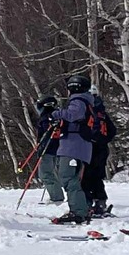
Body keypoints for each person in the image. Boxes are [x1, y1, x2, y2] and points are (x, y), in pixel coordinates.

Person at [49, 74, 97, 225]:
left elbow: (74, 114)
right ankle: (81, 209)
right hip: (79, 146)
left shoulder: (78, 100)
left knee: (68, 177)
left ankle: (78, 211)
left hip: (73, 146)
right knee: (73, 179)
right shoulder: (87, 101)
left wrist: (56, 113)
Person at [82, 84, 114, 218]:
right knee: (97, 176)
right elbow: (112, 130)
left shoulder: (89, 109)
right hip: (102, 148)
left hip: (91, 147)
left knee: (86, 176)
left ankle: (88, 204)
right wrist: (104, 140)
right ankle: (100, 202)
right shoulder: (102, 111)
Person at [31, 94, 65, 204]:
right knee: (50, 172)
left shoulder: (46, 118)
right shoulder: (58, 116)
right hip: (57, 148)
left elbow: (47, 134)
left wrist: (40, 146)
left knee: (45, 174)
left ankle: (56, 197)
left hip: (48, 149)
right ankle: (56, 196)